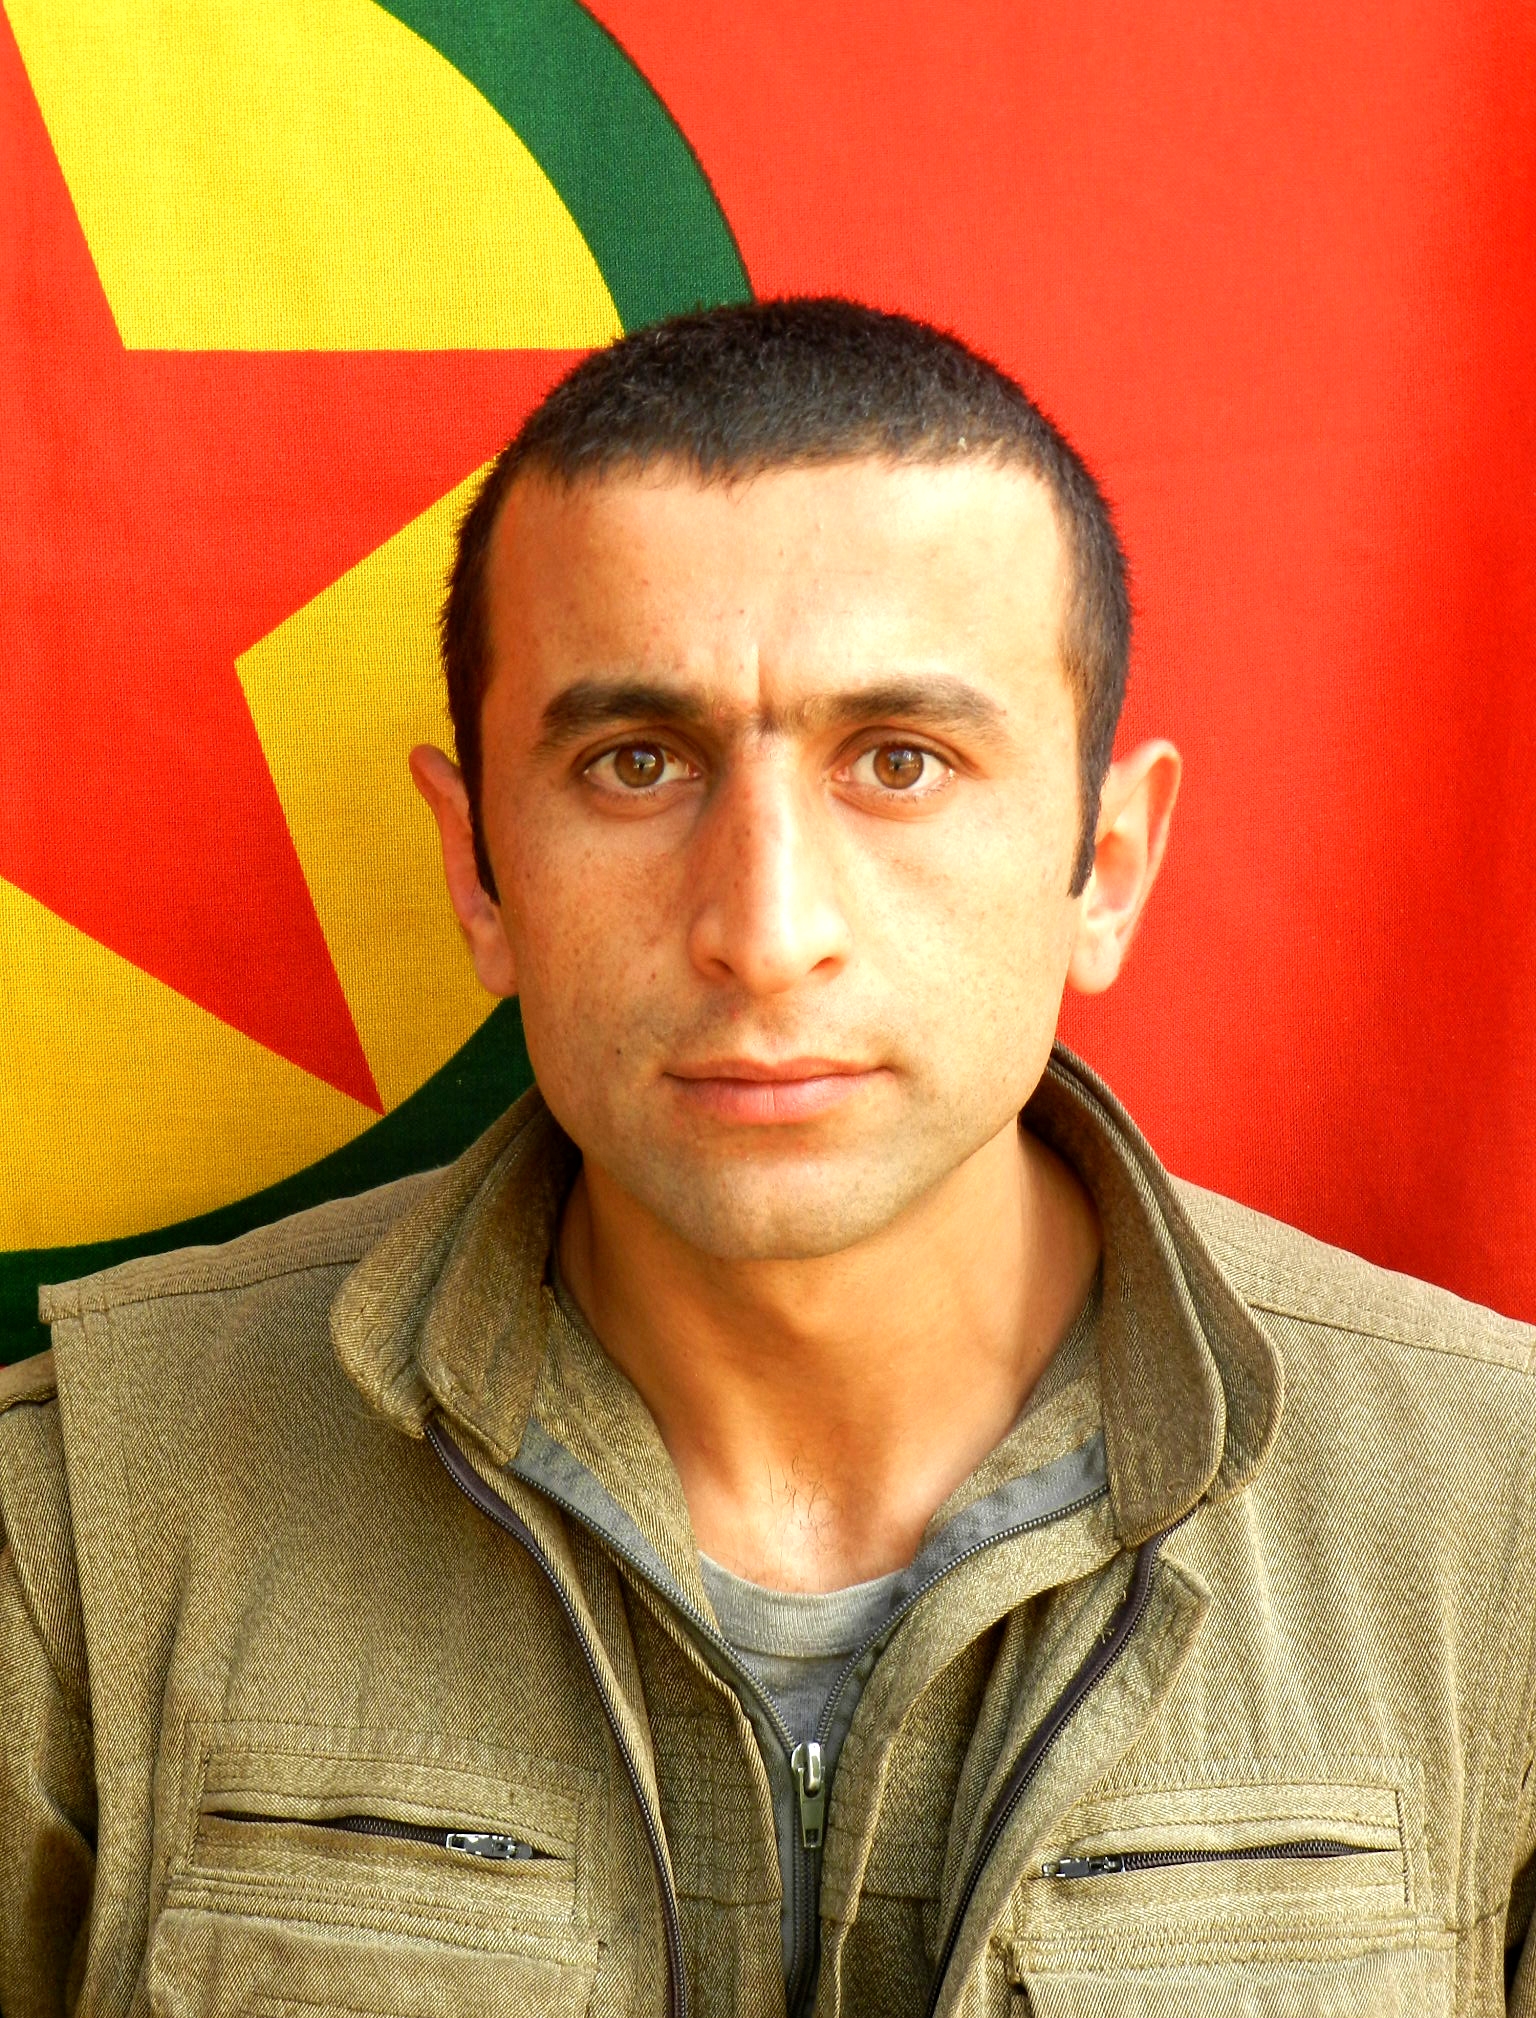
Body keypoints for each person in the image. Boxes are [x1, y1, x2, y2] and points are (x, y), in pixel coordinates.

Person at [1, 297, 1532, 2018]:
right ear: (478, 868)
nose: (765, 925)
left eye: (901, 761)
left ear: (1105, 866)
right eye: (636, 763)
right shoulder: (80, 1531)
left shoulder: (1499, 1525)